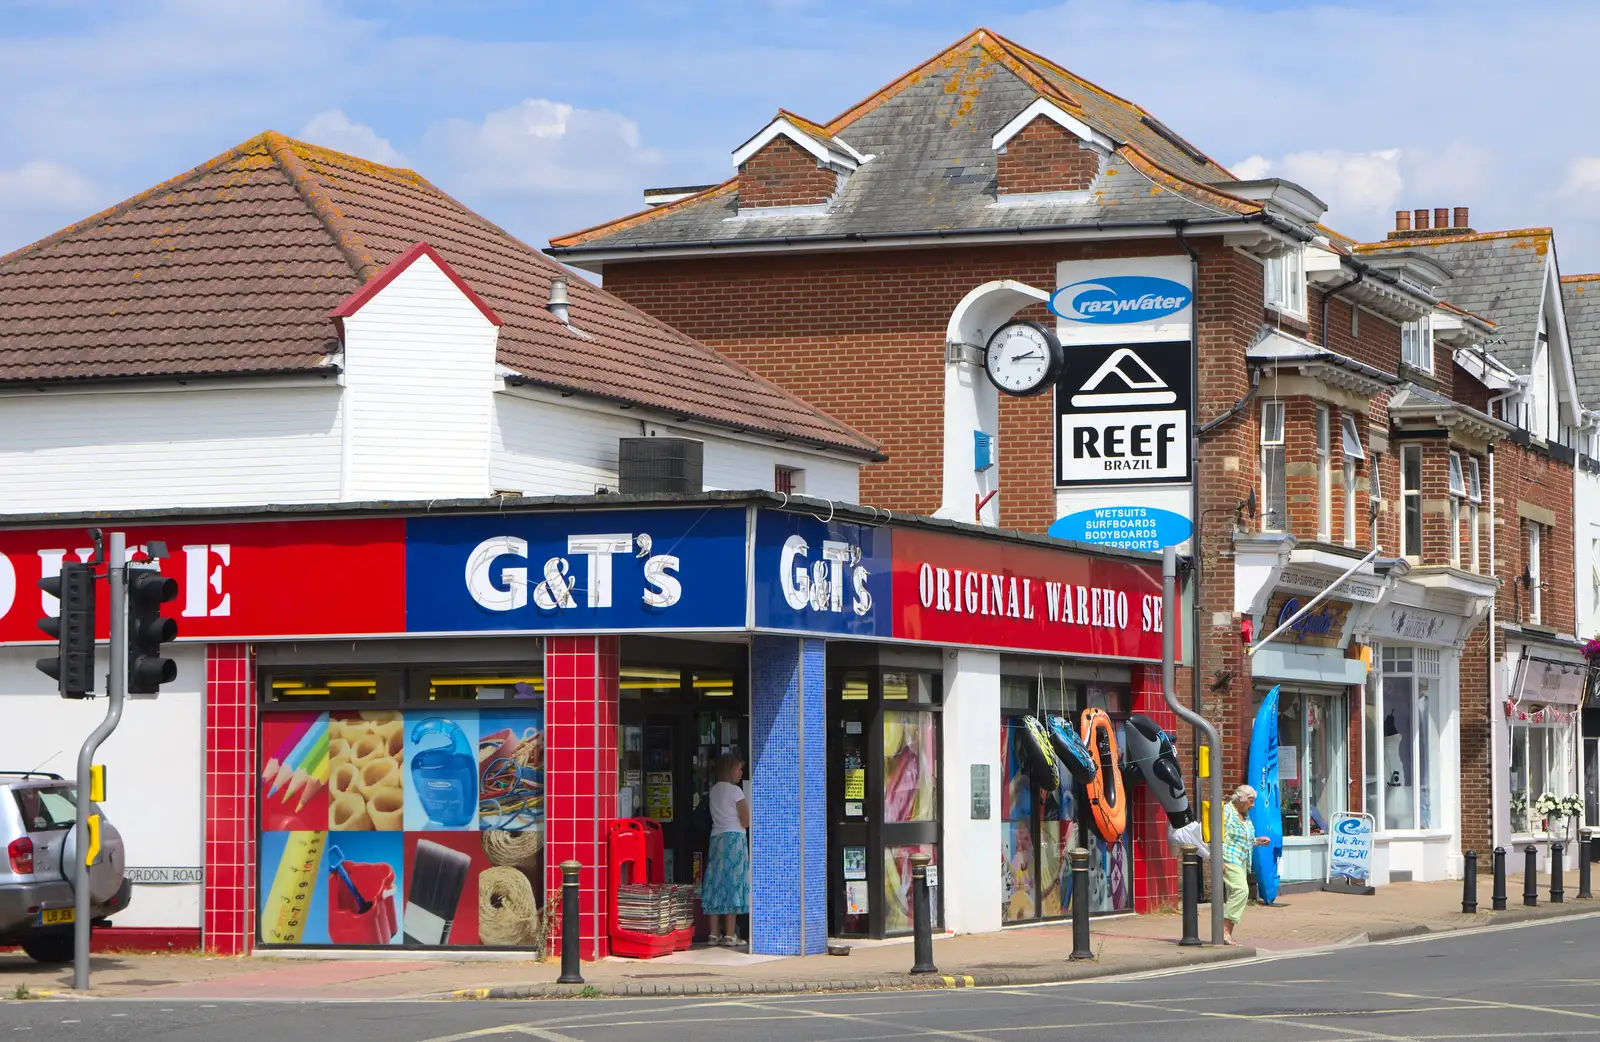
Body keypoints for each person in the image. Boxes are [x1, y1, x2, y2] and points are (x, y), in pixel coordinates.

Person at [700, 753, 750, 947]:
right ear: (730, 769)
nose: (741, 772)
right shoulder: (736, 791)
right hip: (734, 838)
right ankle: (730, 934)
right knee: (733, 883)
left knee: (715, 881)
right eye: (738, 769)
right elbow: (745, 821)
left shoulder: (714, 790)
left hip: (716, 838)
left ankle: (713, 933)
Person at [1222, 783, 1270, 946]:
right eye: (1250, 800)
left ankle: (1226, 933)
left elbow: (1242, 839)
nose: (1253, 804)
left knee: (1235, 895)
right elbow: (1216, 836)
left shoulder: (1245, 815)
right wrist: (1218, 859)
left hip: (1242, 859)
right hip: (1229, 858)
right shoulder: (1227, 812)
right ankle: (1223, 930)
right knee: (1241, 891)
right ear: (1241, 799)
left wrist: (1257, 841)